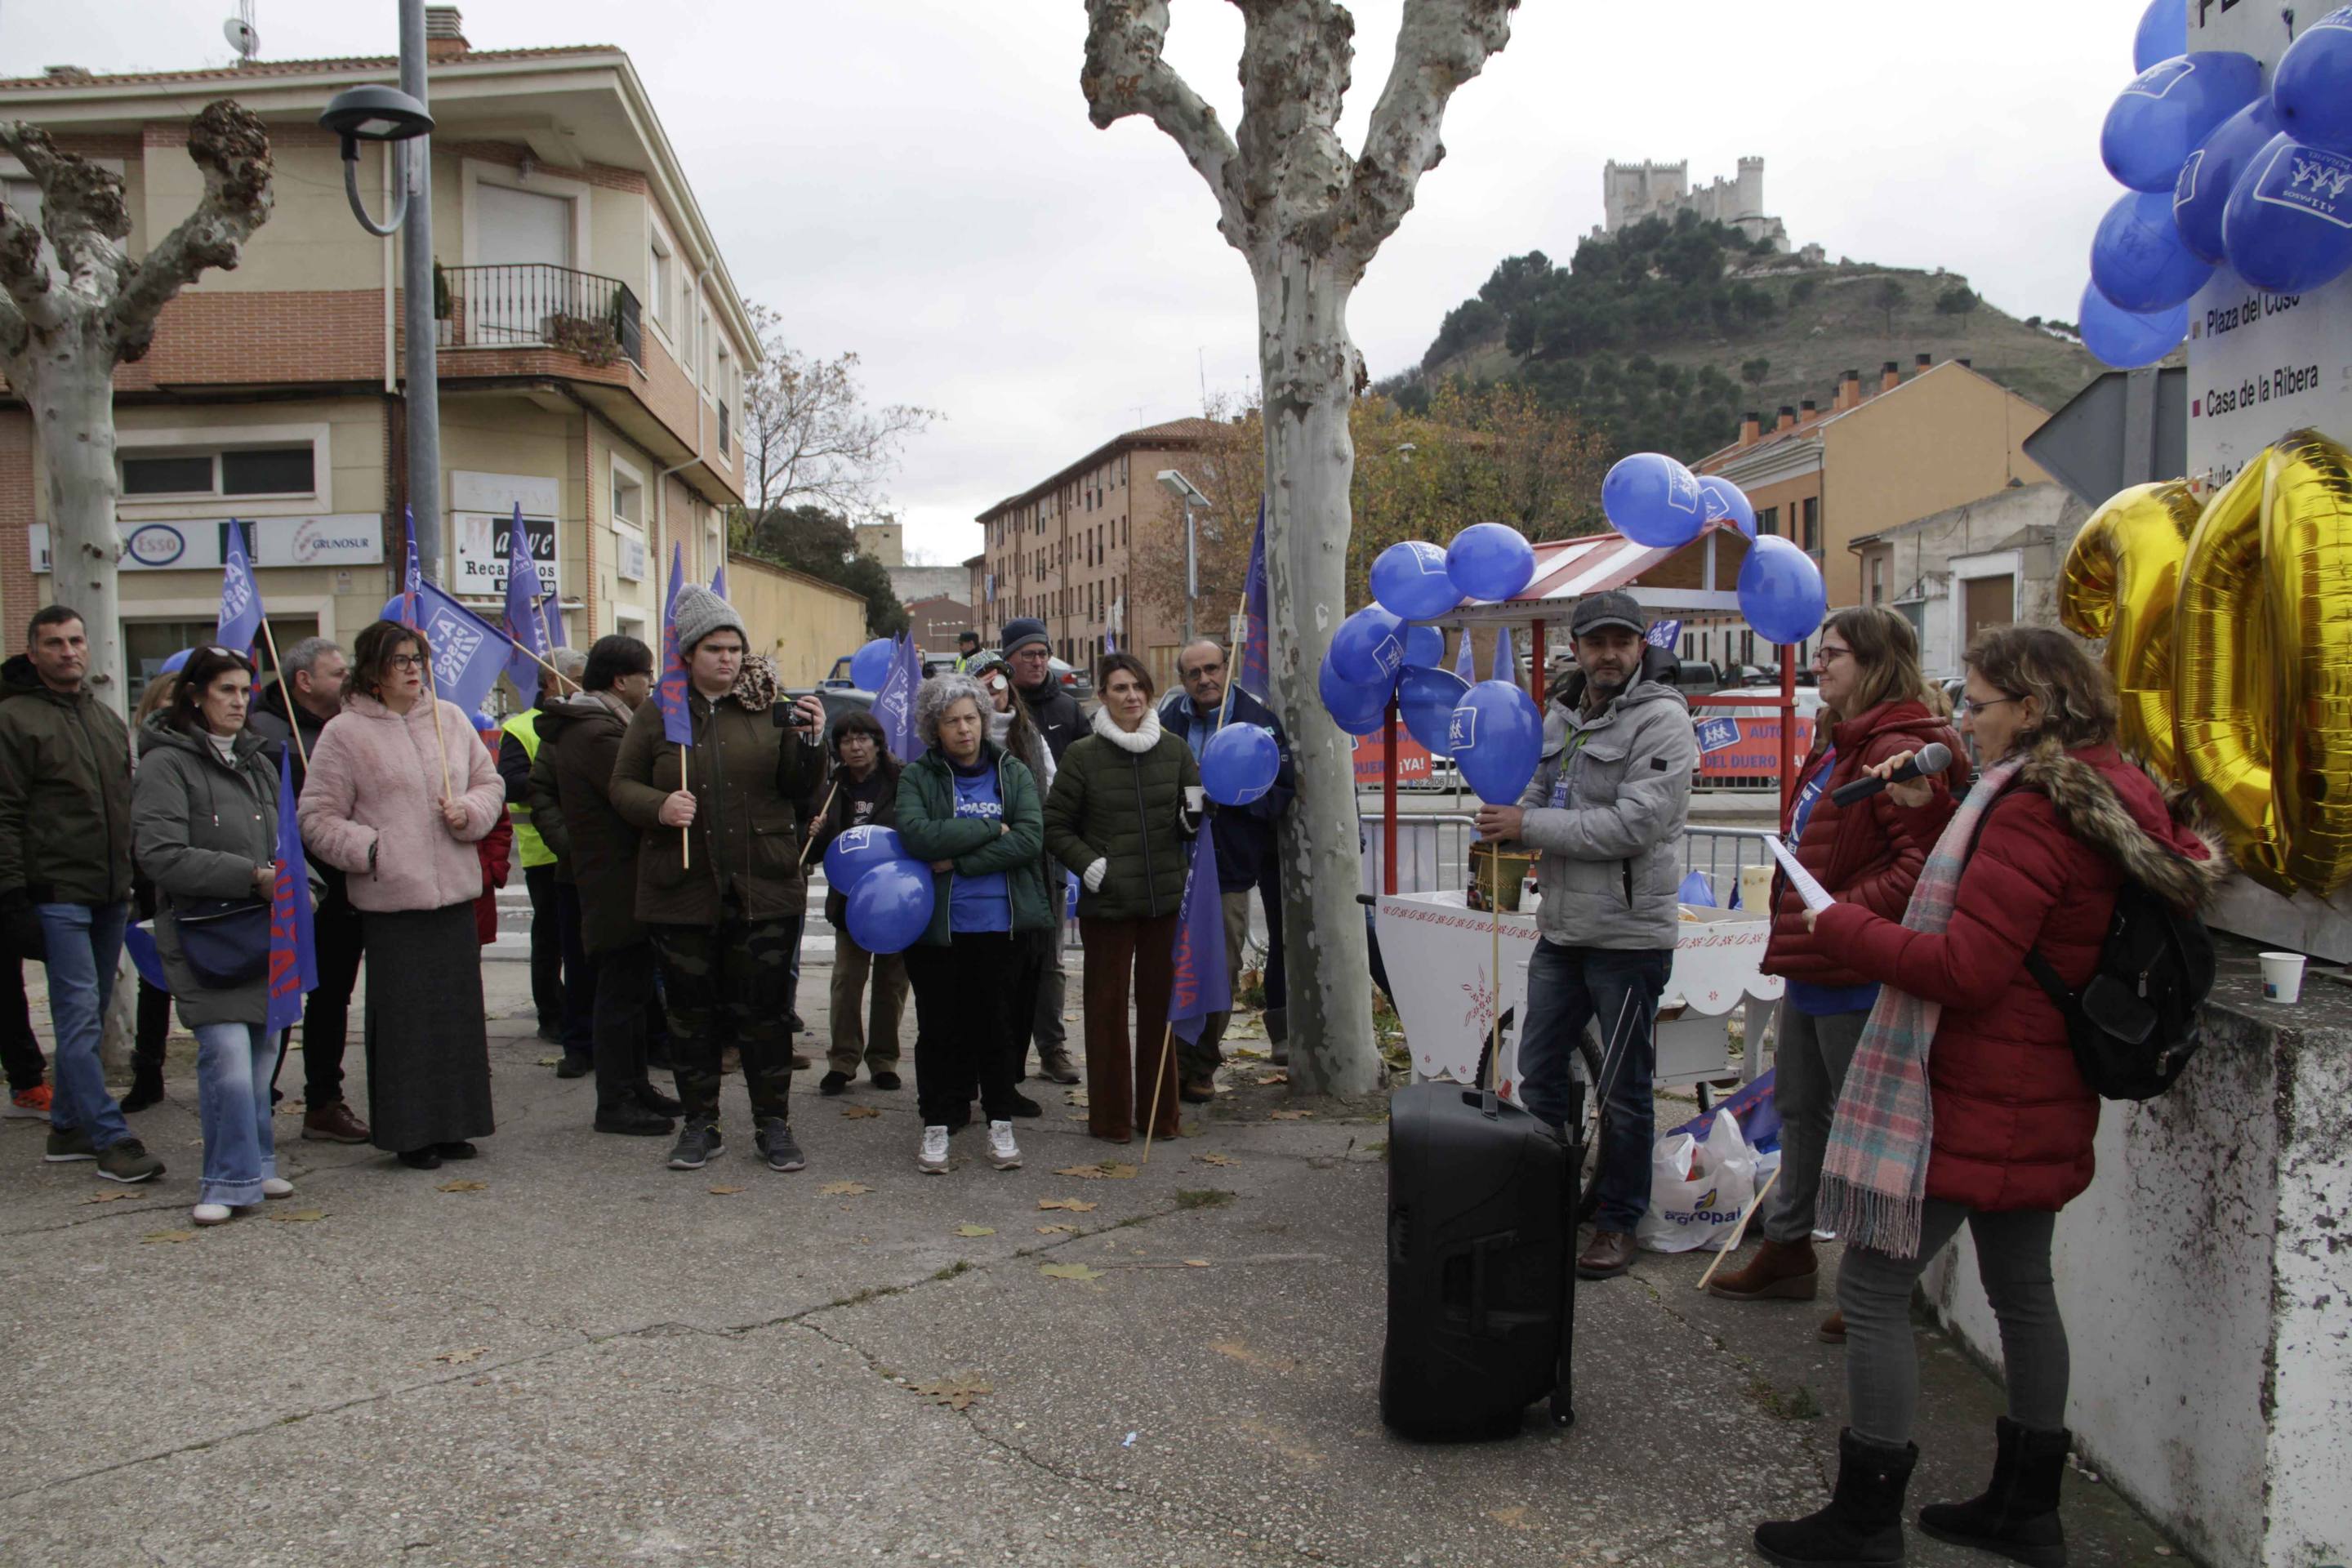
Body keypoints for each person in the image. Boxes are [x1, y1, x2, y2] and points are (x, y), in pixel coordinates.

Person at [1753, 626, 2221, 1568]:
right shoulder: (2102, 788)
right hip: (2041, 1083)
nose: (1961, 716)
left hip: (1985, 1083)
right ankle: (2027, 1508)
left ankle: (1866, 1517)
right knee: (2022, 1289)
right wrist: (1950, 805)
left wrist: (1841, 924)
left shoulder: (2036, 809)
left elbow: (1966, 965)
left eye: (1976, 703)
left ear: (2034, 710)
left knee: (1876, 1285)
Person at [1709, 607, 1967, 1331]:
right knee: (1797, 1109)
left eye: (1835, 655)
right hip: (1815, 964)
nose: (1819, 666)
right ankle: (1789, 1249)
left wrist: (1843, 918)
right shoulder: (1838, 738)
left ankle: (1877, 1284)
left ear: (1878, 661)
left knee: (1870, 1128)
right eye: (1819, 654)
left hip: (1858, 969)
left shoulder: (1902, 746)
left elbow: (1920, 867)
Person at [1476, 590, 1694, 1281]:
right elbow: (1535, 795)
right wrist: (1507, 818)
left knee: (1625, 1090)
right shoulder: (1561, 713)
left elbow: (1635, 825)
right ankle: (1545, 1204)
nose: (1607, 654)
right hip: (1562, 933)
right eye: (1595, 642)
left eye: (1620, 642)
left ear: (1638, 647)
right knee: (1538, 1073)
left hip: (1629, 940)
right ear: (1576, 646)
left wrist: (1526, 826)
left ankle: (1617, 1221)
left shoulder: (1662, 720)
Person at [611, 586, 828, 1175]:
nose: (728, 659)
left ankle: (773, 1124)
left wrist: (812, 740)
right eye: (715, 648)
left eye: (735, 648)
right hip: (682, 887)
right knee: (690, 1015)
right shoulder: (662, 708)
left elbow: (800, 786)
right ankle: (700, 1124)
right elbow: (622, 785)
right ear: (689, 654)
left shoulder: (768, 703)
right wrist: (659, 806)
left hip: (764, 887)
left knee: (765, 1013)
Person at [298, 620, 505, 1171]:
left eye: (419, 659)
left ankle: (457, 1123)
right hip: (393, 902)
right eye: (401, 661)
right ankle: (411, 1132)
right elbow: (315, 817)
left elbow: (490, 784)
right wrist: (372, 850)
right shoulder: (345, 734)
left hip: (455, 897)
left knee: (457, 1020)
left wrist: (472, 812)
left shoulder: (451, 720)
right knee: (405, 1025)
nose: (414, 670)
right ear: (373, 671)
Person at [130, 647, 297, 1224]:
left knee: (261, 1053)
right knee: (224, 1055)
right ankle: (225, 1181)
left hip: (265, 931)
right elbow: (159, 854)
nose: (237, 700)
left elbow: (289, 846)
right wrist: (253, 879)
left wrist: (305, 889)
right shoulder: (166, 763)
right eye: (224, 689)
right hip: (206, 932)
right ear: (195, 695)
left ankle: (257, 1160)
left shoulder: (257, 760)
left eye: (244, 690)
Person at [0, 606, 162, 1183]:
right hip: (54, 894)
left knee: (89, 1012)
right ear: (33, 650)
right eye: (54, 643)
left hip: (109, 891)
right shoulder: (13, 719)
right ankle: (108, 1134)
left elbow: (125, 807)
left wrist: (137, 879)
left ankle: (68, 1127)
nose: (68, 651)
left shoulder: (104, 717)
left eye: (75, 640)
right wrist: (13, 895)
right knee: (75, 1017)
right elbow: (5, 812)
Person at [897, 674, 1054, 1174]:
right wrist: (989, 828)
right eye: (951, 721)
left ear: (984, 720)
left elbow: (1030, 838)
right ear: (934, 728)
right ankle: (936, 1128)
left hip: (1001, 926)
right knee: (939, 1031)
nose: (964, 730)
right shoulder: (916, 777)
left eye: (970, 718)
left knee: (997, 1029)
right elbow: (918, 836)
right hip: (938, 928)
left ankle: (1000, 1124)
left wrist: (960, 860)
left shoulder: (1015, 773)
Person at [1044, 652, 1201, 1144]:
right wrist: (1092, 866)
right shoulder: (1083, 755)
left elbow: (1191, 805)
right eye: (1119, 688)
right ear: (1103, 697)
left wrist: (1191, 819)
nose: (1130, 696)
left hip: (1163, 904)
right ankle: (1110, 1119)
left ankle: (1160, 1115)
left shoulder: (1174, 749)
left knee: (1161, 1012)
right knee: (1107, 1013)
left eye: (1137, 686)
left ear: (1149, 692)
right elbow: (1055, 825)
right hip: (1108, 905)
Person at [528, 635, 682, 1137]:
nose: (652, 685)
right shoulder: (596, 733)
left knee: (635, 990)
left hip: (620, 873)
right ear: (621, 680)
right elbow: (636, 786)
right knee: (618, 992)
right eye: (646, 676)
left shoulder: (600, 723)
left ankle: (635, 1086)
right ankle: (615, 1100)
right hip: (612, 876)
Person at [1158, 637, 1294, 1101]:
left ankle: (1202, 1064)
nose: (1205, 680)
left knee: (1219, 968)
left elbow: (1282, 795)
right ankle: (1169, 1063)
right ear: (1182, 680)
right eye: (1194, 674)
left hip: (1228, 869)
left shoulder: (1258, 723)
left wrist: (1233, 798)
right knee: (1171, 967)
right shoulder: (1167, 721)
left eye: (1212, 669)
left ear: (1226, 668)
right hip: (1172, 864)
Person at [247, 635, 370, 1145]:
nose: (347, 680)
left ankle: (323, 1100)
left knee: (331, 998)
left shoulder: (345, 729)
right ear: (303, 682)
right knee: (271, 997)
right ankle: (256, 1102)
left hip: (340, 889)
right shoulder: (260, 730)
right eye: (338, 673)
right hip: (279, 887)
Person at [969, 649, 1066, 1113]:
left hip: (1032, 870)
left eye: (1000, 679)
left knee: (1028, 979)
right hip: (978, 875)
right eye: (984, 681)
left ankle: (1008, 1082)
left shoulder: (1031, 737)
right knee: (982, 984)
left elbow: (1053, 795)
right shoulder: (964, 736)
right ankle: (970, 1081)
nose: (995, 688)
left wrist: (1028, 834)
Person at [1000, 618, 1084, 1085]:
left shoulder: (1068, 710)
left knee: (1050, 958)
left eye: (1042, 653)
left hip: (1050, 850)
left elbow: (1084, 770)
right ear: (1007, 659)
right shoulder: (989, 706)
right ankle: (1003, 1053)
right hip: (1001, 850)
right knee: (1005, 956)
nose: (1036, 662)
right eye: (1027, 654)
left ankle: (1052, 1049)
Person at [808, 710, 907, 1097]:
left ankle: (883, 1061)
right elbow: (816, 851)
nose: (855, 747)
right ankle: (842, 1061)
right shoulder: (833, 785)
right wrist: (813, 831)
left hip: (895, 901)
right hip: (849, 902)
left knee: (891, 984)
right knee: (847, 982)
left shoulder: (902, 781)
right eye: (847, 741)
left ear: (878, 742)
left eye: (862, 738)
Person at [500, 671, 571, 1054]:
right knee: (549, 938)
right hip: (543, 851)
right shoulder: (520, 728)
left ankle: (577, 1011)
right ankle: (551, 1014)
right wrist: (562, 781)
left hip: (585, 850)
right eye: (572, 678)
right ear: (550, 683)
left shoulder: (583, 721)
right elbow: (510, 783)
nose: (579, 684)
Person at [122, 671, 181, 1114]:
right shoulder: (134, 753)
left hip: (193, 868)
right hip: (147, 874)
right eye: (168, 700)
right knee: (154, 978)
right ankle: (148, 1069)